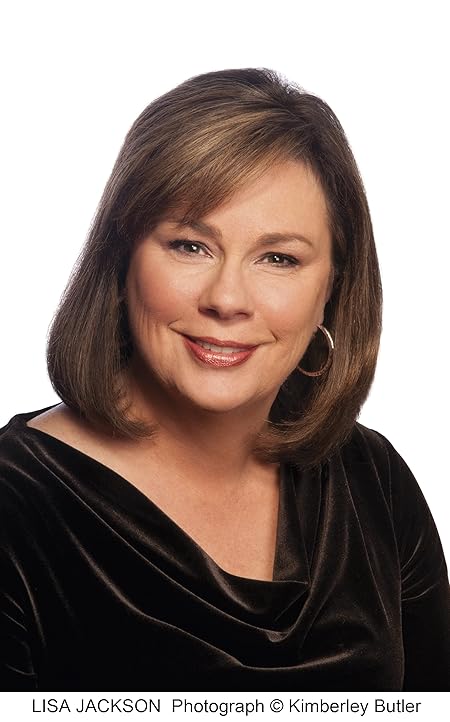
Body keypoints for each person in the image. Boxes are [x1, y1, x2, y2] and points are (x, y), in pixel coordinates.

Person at [0, 68, 449, 693]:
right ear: (122, 255)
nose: (228, 298)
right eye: (191, 246)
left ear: (332, 287)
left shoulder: (371, 479)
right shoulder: (15, 508)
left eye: (279, 258)